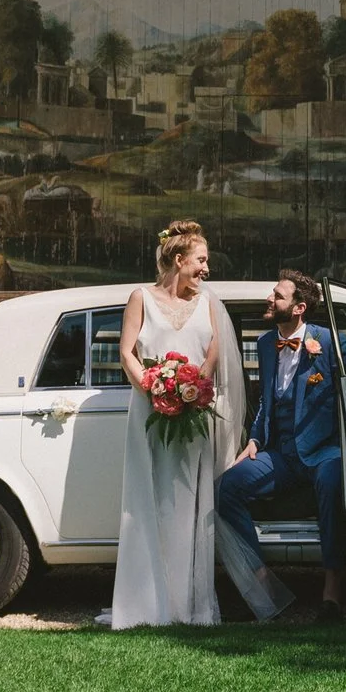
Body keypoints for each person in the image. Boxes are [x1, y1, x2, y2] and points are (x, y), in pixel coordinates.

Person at [106, 220, 246, 628]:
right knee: (146, 502)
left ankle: (188, 606)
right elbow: (127, 352)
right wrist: (153, 388)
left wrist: (194, 386)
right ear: (180, 259)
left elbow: (215, 351)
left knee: (189, 504)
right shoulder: (141, 298)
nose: (207, 269)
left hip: (193, 415)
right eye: (202, 260)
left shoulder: (208, 303)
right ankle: (144, 605)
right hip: (149, 415)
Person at [217, 269, 346, 622]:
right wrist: (255, 439)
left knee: (333, 484)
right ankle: (263, 585)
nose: (269, 299)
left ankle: (332, 594)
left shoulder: (328, 340)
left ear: (299, 308)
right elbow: (266, 402)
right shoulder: (264, 344)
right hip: (281, 452)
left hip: (323, 451)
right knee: (227, 487)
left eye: (277, 296)